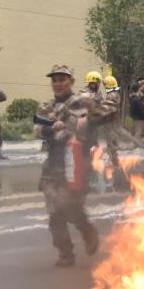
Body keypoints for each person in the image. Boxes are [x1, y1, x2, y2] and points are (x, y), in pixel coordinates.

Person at [35, 65, 98, 267]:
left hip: (77, 166)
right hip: (53, 166)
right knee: (55, 214)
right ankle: (65, 253)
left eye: (62, 79)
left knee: (72, 209)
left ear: (71, 81)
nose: (58, 84)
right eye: (55, 80)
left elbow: (107, 112)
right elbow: (38, 129)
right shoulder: (47, 107)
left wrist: (88, 120)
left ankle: (87, 230)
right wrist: (51, 128)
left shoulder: (83, 102)